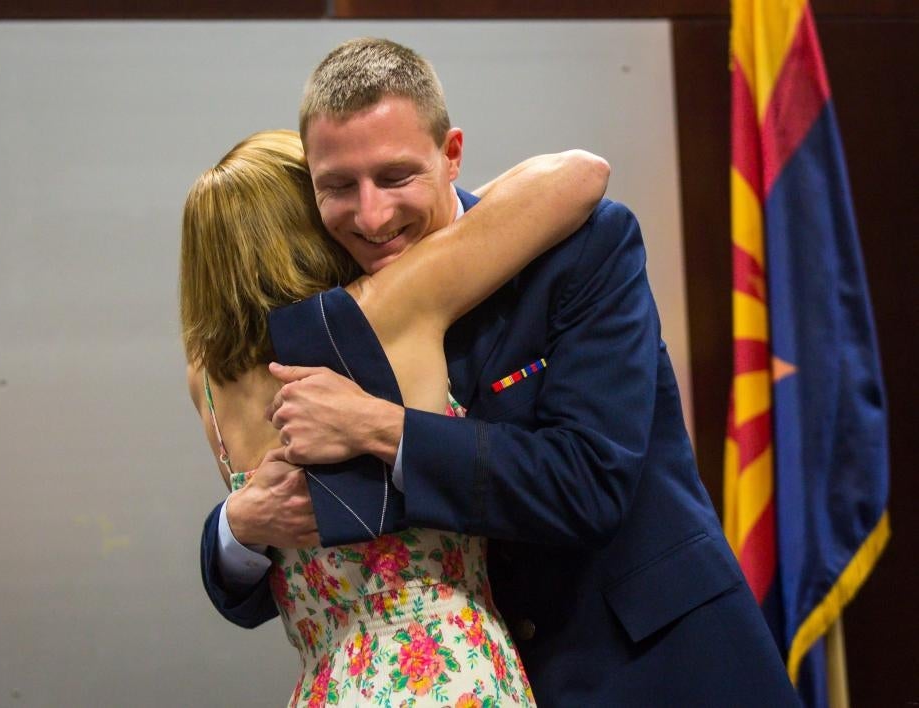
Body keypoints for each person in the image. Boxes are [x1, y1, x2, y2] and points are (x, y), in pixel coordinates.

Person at [205, 38, 801, 706]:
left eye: (397, 177)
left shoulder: (581, 250)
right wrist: (237, 530)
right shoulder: (342, 312)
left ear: (451, 152)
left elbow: (591, 482)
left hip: (660, 666)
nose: (371, 216)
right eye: (338, 188)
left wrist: (384, 429)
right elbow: (333, 559)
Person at [182, 129, 609, 705]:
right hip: (443, 671)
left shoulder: (208, 382)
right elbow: (576, 175)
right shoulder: (386, 307)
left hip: (327, 682)